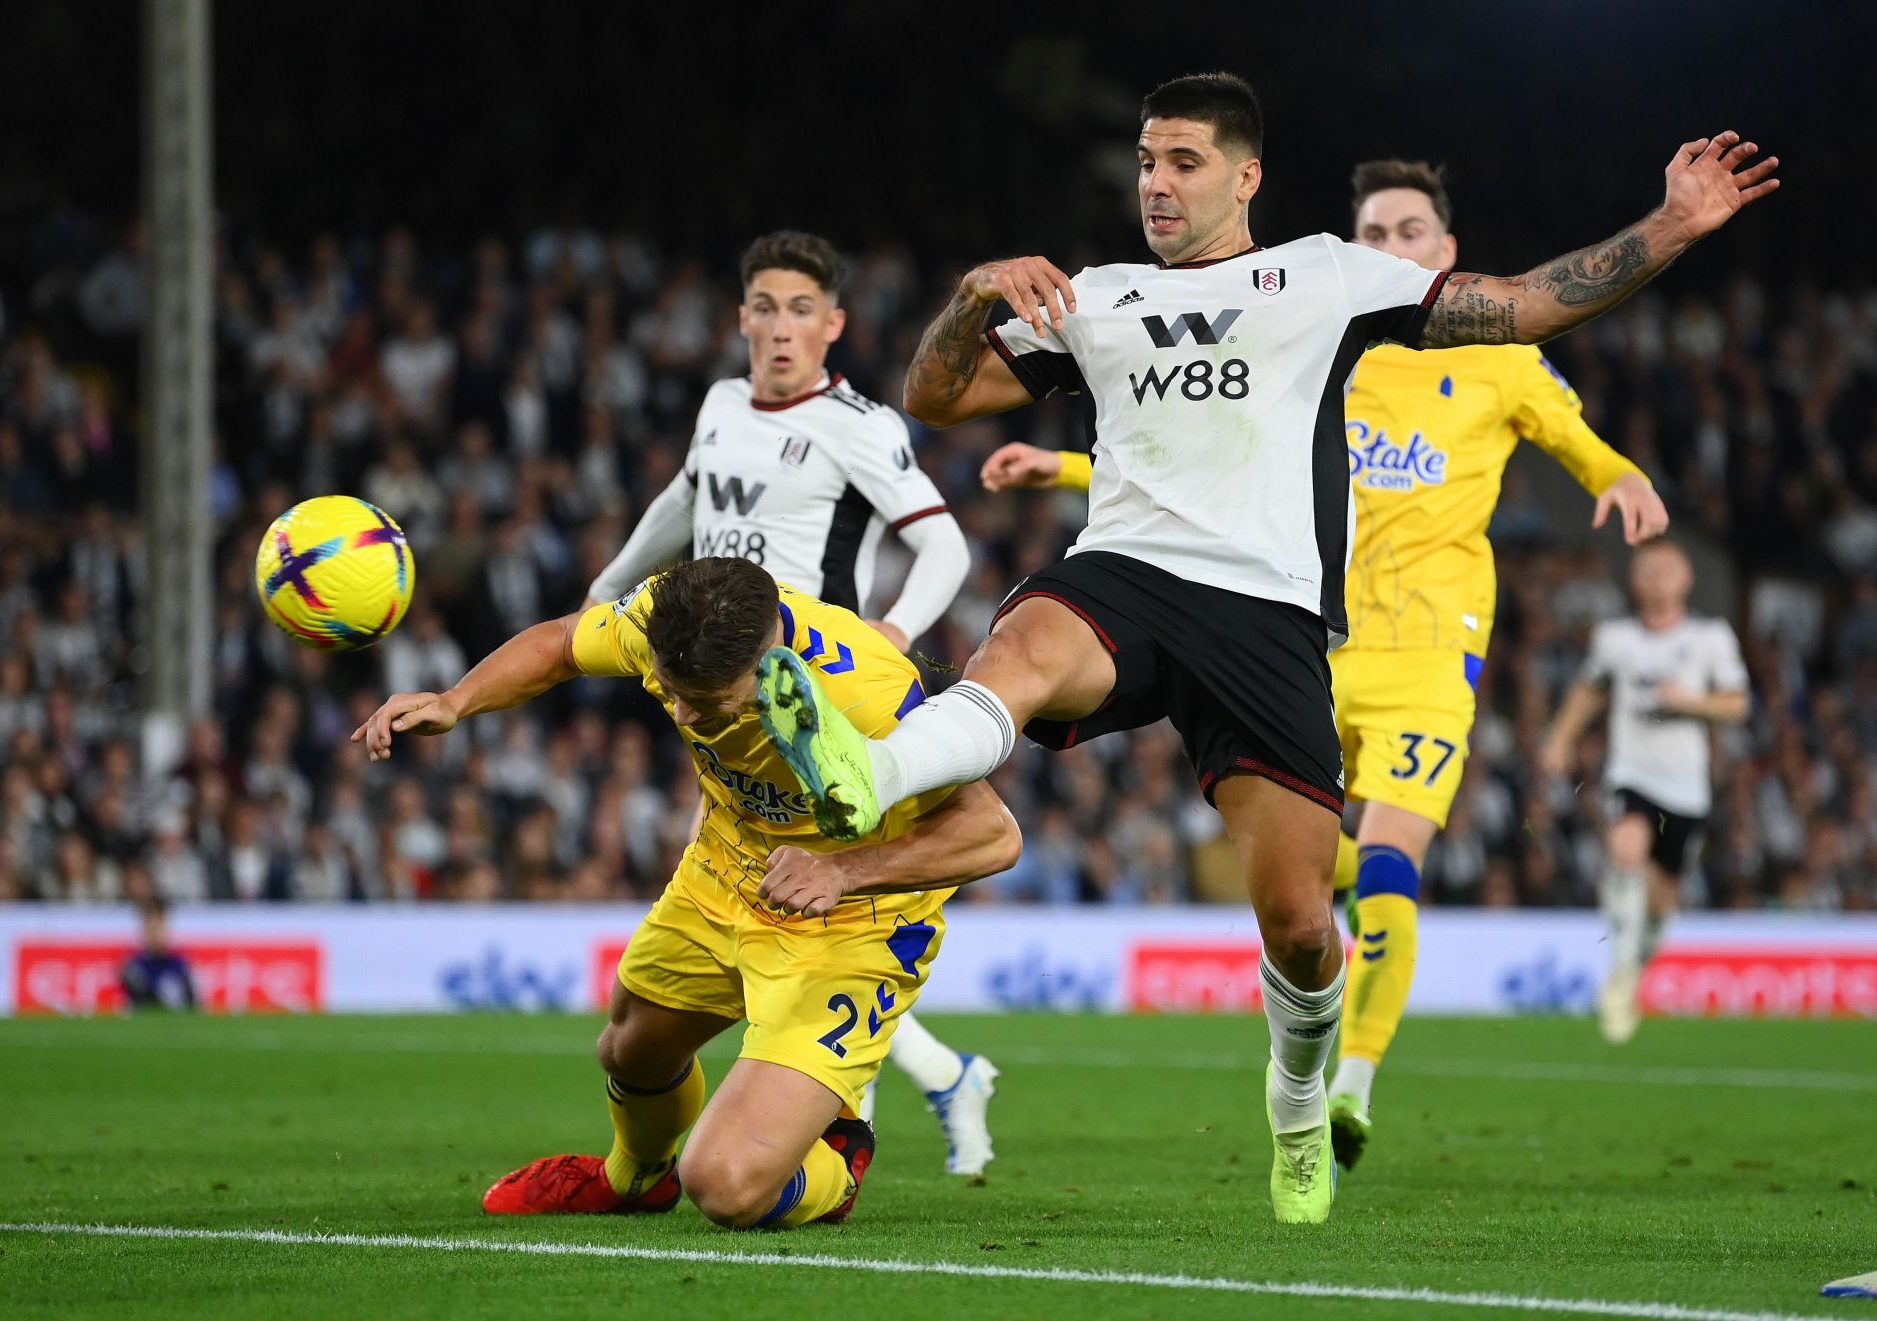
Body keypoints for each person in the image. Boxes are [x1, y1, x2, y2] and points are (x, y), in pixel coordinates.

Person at [751, 71, 1776, 1223]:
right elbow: (935, 399)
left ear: (1245, 177)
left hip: (1269, 612)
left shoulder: (1328, 277)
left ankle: (1298, 1101)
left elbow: (1528, 303)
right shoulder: (1098, 296)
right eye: (1145, 160)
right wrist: (975, 294)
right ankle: (865, 769)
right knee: (1025, 641)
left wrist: (1674, 226)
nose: (1157, 182)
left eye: (1184, 161)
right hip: (1125, 574)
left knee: (1296, 922)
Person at [978, 158, 1672, 1173]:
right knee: (1300, 875)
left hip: (1434, 654)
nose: (1387, 248)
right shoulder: (1320, 344)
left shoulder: (1498, 362)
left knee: (1388, 860)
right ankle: (1313, 1007)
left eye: (1407, 232)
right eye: (1373, 234)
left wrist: (1622, 477)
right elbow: (1211, 462)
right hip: (1313, 640)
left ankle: (1353, 1082)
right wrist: (1069, 466)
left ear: (1446, 253)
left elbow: (1581, 442)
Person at [352, 556, 1019, 1229]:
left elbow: (993, 833)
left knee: (726, 1186)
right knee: (630, 1048)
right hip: (727, 868)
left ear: (771, 663)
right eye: (672, 691)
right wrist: (453, 701)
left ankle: (837, 1167)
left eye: (704, 701)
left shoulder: (867, 691)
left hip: (851, 920)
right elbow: (559, 643)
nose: (681, 712)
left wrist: (842, 871)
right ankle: (634, 1178)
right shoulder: (666, 618)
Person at [583, 231, 998, 1176]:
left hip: (815, 709)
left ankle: (850, 1122)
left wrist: (890, 633)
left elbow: (944, 548)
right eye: (764, 307)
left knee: (807, 917)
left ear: (834, 325)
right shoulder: (722, 403)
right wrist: (606, 592)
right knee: (776, 915)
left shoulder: (860, 424)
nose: (780, 329)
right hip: (719, 688)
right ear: (740, 319)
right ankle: (938, 1078)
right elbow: (683, 503)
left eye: (801, 310)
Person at [1540, 540, 1749, 1043]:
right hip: (1631, 775)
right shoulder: (1615, 638)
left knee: (1661, 902)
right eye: (1647, 569)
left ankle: (1635, 963)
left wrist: (1691, 702)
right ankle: (1622, 976)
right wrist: (1560, 738)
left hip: (1686, 787)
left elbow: (1737, 704)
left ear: (1687, 579)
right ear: (1633, 581)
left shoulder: (1709, 636)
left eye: (1667, 569)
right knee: (1626, 847)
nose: (1656, 576)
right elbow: (1590, 689)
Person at [118, 898, 199, 1012]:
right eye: (150, 929)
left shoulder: (179, 964)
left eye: (158, 928)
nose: (155, 935)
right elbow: (131, 1002)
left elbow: (193, 1003)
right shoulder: (134, 966)